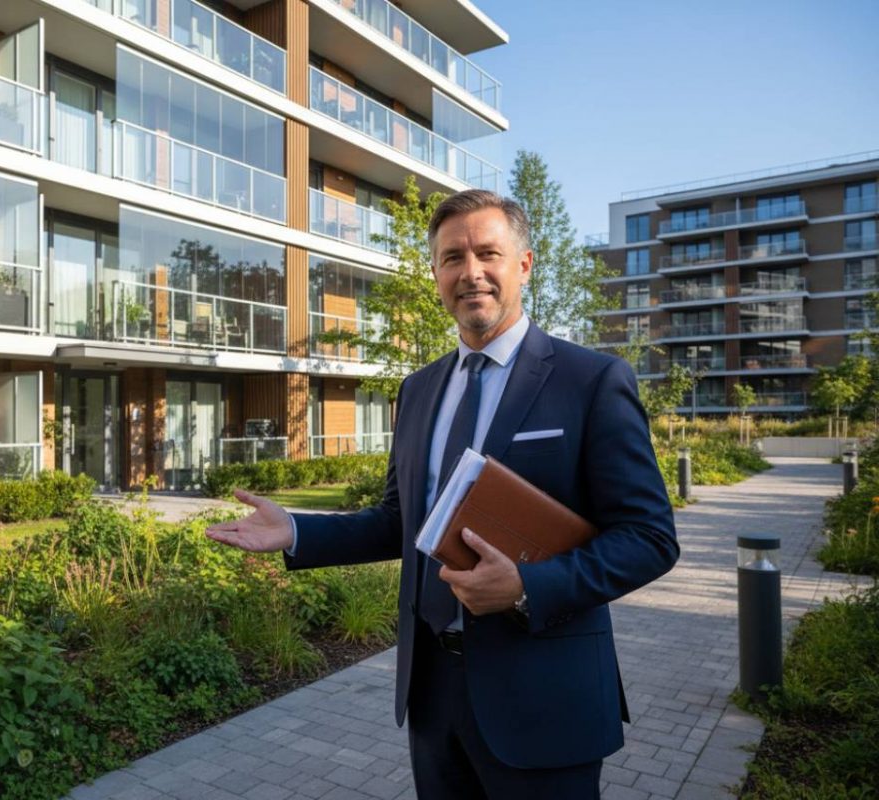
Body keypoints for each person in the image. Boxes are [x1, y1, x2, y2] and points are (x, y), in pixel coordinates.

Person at [206, 189, 679, 798]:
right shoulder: (418, 390)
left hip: (545, 697)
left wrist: (528, 586)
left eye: (488, 253)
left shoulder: (591, 380)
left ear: (524, 264)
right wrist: (297, 529)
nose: (470, 272)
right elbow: (400, 520)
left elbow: (648, 538)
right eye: (453, 257)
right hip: (433, 696)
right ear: (435, 273)